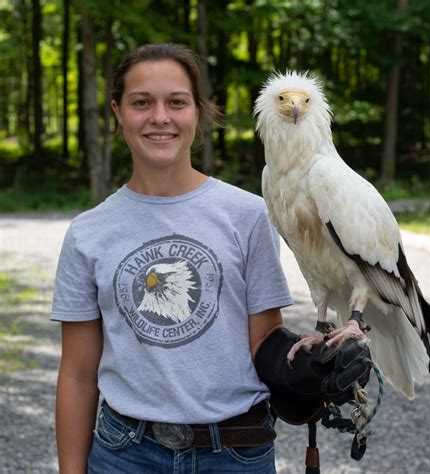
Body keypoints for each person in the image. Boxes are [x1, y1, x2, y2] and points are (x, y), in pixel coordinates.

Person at [51, 43, 370, 474]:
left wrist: (305, 368)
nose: (160, 117)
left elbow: (262, 340)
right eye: (141, 102)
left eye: (176, 102)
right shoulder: (87, 233)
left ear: (197, 112)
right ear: (118, 112)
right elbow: (76, 374)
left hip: (236, 451)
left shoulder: (250, 213)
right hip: (126, 452)